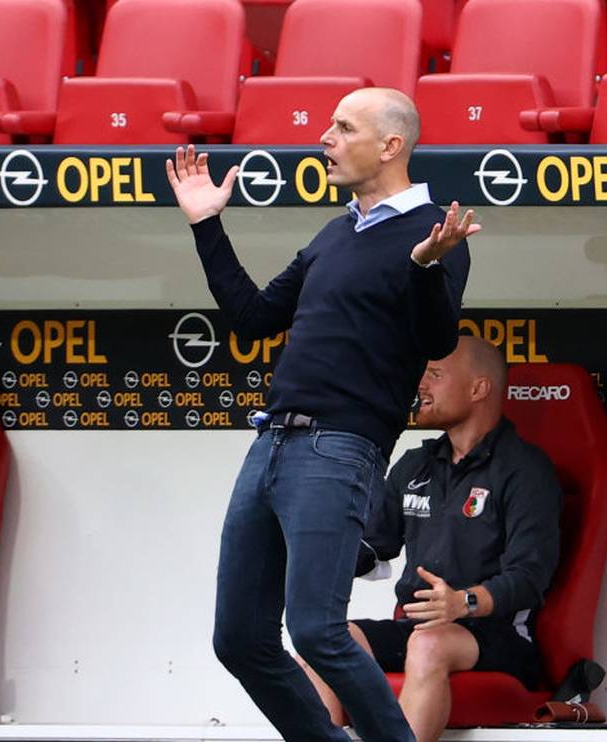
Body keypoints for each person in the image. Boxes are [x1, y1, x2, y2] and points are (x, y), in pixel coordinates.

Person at [165, 87, 475, 741]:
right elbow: (254, 319)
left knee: (316, 631)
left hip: (340, 447)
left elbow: (436, 339)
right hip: (270, 445)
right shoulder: (335, 233)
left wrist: (425, 266)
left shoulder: (432, 233)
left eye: (343, 128)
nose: (324, 139)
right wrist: (206, 224)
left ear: (390, 146)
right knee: (238, 639)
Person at [301, 336, 563, 742]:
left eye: (435, 375)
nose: (420, 385)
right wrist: (314, 557)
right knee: (324, 641)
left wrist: (463, 602)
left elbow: (529, 578)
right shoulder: (415, 464)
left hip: (498, 636)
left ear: (478, 388)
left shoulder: (526, 470)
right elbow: (375, 547)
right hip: (419, 629)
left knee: (428, 645)